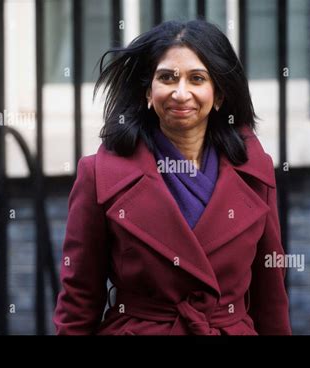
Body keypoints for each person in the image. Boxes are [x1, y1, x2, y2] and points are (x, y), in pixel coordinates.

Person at [53, 19, 291, 335]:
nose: (181, 93)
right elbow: (79, 299)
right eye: (167, 77)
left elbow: (270, 298)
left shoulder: (254, 172)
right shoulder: (99, 175)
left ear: (218, 95)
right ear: (148, 93)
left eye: (197, 79)